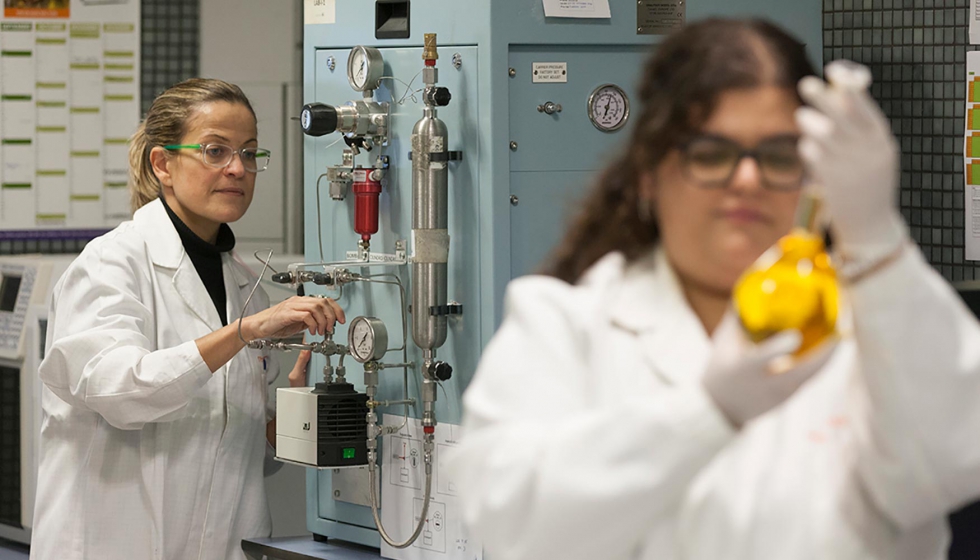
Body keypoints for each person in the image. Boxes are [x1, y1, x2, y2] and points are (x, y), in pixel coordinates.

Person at [448, 19, 980, 560]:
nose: (747, 179)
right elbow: (514, 520)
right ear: (648, 175)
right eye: (711, 152)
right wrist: (705, 414)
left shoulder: (875, 329)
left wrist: (877, 240)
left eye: (778, 156)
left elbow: (953, 464)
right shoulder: (564, 326)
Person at [30, 78, 343, 560]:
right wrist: (242, 333)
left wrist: (285, 420)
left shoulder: (245, 285)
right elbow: (124, 394)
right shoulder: (110, 264)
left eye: (249, 152)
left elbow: (234, 452)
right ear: (163, 164)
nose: (237, 168)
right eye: (215, 151)